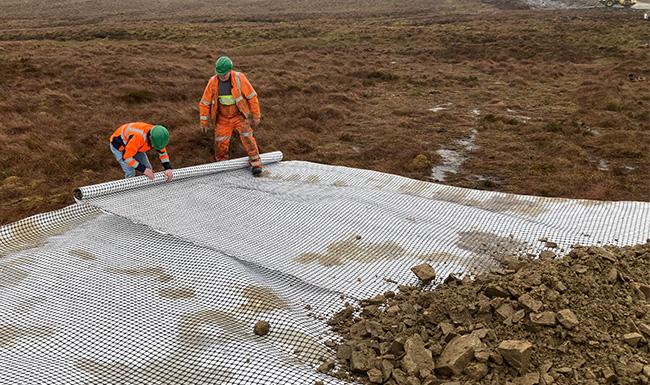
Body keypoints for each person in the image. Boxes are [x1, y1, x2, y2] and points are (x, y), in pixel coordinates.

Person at [198, 56, 264, 176]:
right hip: (222, 118)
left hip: (239, 116)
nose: (221, 77)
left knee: (248, 138)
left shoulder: (239, 78)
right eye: (219, 74)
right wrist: (204, 121)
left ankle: (256, 164)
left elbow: (252, 97)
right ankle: (222, 165)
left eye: (224, 74)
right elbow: (204, 102)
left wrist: (256, 116)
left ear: (230, 70)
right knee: (220, 143)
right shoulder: (213, 82)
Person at [109, 122, 173, 181]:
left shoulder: (158, 135)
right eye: (154, 145)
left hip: (136, 146)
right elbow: (127, 158)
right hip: (119, 146)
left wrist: (168, 168)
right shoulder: (138, 137)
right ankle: (130, 192)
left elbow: (163, 153)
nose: (154, 147)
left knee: (149, 169)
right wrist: (143, 169)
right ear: (150, 138)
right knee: (130, 172)